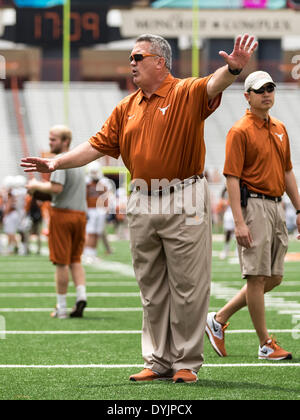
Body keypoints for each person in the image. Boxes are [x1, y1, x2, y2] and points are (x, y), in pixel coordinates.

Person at [21, 33, 257, 383]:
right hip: (142, 196)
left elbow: (214, 84)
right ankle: (159, 359)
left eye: (138, 56)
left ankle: (186, 362)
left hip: (183, 193)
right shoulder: (126, 106)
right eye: (131, 57)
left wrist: (234, 67)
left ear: (160, 62)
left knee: (188, 284)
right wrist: (56, 164)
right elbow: (95, 145)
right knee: (150, 284)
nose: (131, 62)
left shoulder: (184, 91)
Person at [206, 71, 300, 361]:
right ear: (247, 96)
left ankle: (218, 319)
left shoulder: (280, 128)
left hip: (276, 206)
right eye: (260, 90)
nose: (266, 94)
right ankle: (264, 343)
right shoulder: (239, 130)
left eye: (270, 88)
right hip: (254, 205)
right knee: (257, 277)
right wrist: (239, 221)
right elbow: (231, 178)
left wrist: (299, 208)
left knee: (273, 277)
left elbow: (286, 172)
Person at [26, 125, 88, 319]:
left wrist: (35, 184)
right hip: (80, 215)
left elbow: (56, 188)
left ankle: (61, 307)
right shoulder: (79, 162)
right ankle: (81, 296)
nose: (50, 142)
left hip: (63, 214)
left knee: (61, 262)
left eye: (53, 139)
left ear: (65, 142)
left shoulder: (59, 161)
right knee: (75, 260)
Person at [84, 161, 112, 261]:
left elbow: (107, 196)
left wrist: (107, 207)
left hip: (100, 210)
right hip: (90, 209)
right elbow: (84, 197)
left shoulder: (104, 182)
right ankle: (87, 253)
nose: (94, 174)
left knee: (97, 233)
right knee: (90, 232)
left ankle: (93, 254)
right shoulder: (87, 182)